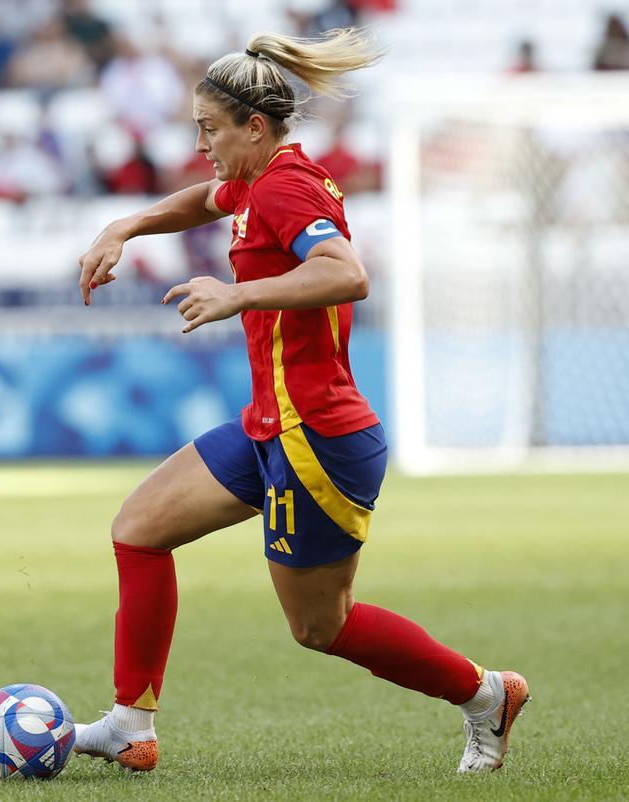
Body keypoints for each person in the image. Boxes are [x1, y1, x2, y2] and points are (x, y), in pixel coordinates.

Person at [72, 29, 529, 775]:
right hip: (269, 428)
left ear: (255, 126)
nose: (199, 145)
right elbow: (205, 199)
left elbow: (347, 272)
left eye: (209, 129)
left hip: (317, 436)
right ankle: (130, 723)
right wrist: (126, 223)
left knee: (320, 626)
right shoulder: (259, 179)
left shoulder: (286, 185)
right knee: (140, 528)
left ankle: (484, 694)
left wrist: (237, 294)